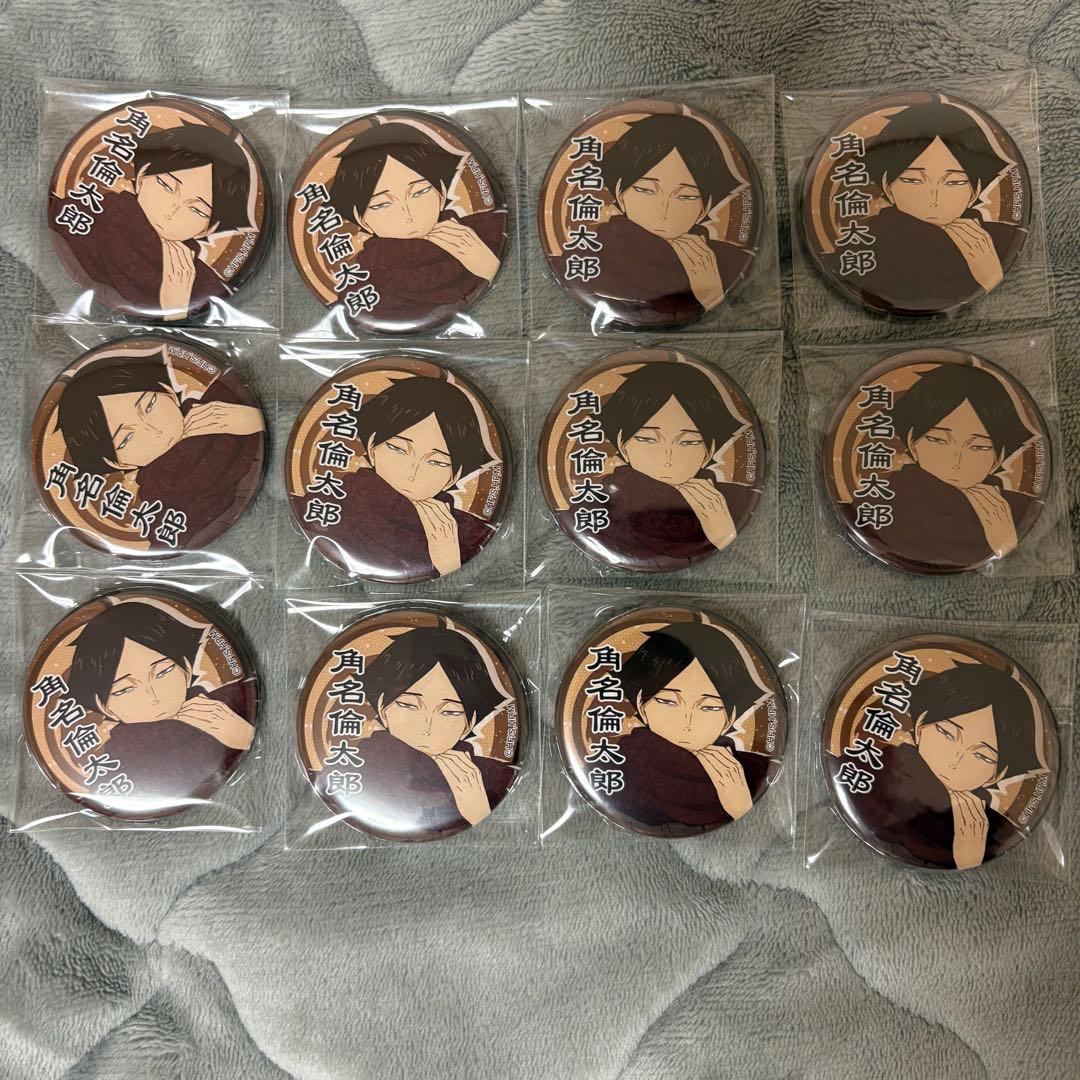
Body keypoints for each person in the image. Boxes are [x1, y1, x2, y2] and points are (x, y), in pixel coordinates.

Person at [55, 350, 265, 550]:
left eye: (149, 405)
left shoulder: (227, 395)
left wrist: (247, 417)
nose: (153, 429)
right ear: (117, 463)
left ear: (169, 392)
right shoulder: (162, 518)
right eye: (126, 438)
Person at [559, 361, 757, 571]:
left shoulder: (737, 502)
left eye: (688, 442)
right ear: (621, 443)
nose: (667, 458)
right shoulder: (590, 511)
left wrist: (721, 532)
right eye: (647, 439)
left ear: (710, 450)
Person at [827, 102, 1022, 312]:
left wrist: (989, 272)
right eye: (913, 180)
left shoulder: (1003, 241)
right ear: (887, 186)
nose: (933, 198)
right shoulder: (859, 249)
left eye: (954, 182)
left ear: (975, 191)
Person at [50, 122, 256, 319]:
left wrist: (175, 308)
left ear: (209, 228)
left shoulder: (203, 283)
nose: (171, 210)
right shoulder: (80, 216)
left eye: (196, 209)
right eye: (166, 186)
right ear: (140, 177)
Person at [66, 601, 254, 812]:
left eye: (163, 672)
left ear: (187, 668)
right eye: (124, 689)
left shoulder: (233, 701)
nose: (153, 696)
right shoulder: (114, 770)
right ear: (104, 707)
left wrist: (242, 735)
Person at [329, 626, 515, 838]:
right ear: (381, 707)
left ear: (470, 722)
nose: (427, 726)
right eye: (409, 705)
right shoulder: (347, 770)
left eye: (449, 711)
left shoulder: (496, 776)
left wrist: (478, 809)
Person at [853, 662, 1044, 869]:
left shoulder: (995, 829)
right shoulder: (867, 766)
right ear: (919, 725)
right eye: (946, 733)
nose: (955, 760)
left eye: (982, 755)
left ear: (998, 775)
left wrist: (970, 853)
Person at [857, 363, 1038, 570]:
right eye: (938, 440)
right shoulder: (874, 504)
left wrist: (1004, 540)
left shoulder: (1020, 510)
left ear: (1000, 457)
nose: (956, 461)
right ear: (912, 443)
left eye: (979, 446)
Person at [579, 113, 752, 325]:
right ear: (619, 192)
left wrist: (710, 292)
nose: (664, 211)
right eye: (646, 190)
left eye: (686, 196)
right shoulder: (583, 258)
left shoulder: (732, 262)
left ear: (706, 207)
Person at [318, 376, 497, 580]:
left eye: (437, 462)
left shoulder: (469, 532)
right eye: (398, 448)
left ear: (454, 476)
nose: (412, 472)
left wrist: (448, 559)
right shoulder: (327, 504)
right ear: (372, 447)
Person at [325, 122, 505, 326]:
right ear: (360, 218)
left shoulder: (488, 233)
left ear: (442, 192)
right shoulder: (359, 291)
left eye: (419, 192)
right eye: (382, 204)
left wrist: (486, 265)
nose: (407, 213)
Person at [600, 622, 771, 835]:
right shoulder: (610, 771)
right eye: (668, 702)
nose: (687, 721)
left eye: (709, 707)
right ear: (642, 705)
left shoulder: (755, 773)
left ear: (731, 718)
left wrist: (741, 805)